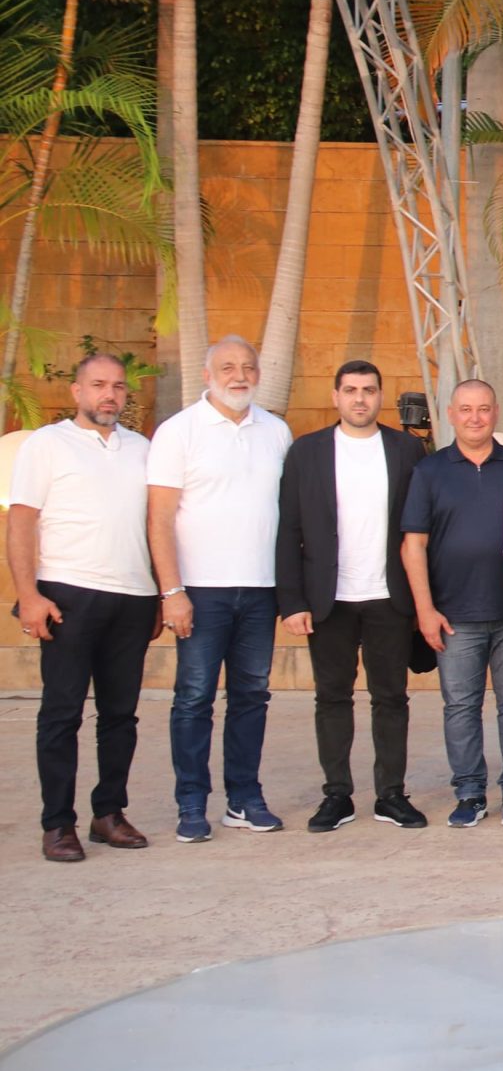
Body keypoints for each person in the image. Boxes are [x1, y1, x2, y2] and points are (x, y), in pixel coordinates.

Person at [11, 354, 157, 862]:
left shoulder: (142, 449)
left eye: (118, 386)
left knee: (120, 716)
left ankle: (108, 814)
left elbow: (155, 524)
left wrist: (160, 593)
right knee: (61, 713)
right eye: (98, 385)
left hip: (133, 597)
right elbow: (21, 522)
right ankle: (58, 824)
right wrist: (29, 595)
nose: (109, 395)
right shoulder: (47, 444)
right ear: (77, 392)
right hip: (68, 594)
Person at [145, 336, 292, 841]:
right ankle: (191, 804)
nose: (239, 375)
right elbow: (159, 519)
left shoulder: (276, 431)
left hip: (260, 590)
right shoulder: (178, 432)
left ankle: (244, 799)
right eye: (227, 367)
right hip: (200, 591)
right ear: (207, 375)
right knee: (193, 698)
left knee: (251, 696)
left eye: (248, 366)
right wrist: (172, 592)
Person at [277, 359, 431, 832]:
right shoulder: (307, 452)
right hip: (329, 599)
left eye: (368, 390)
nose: (359, 398)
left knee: (391, 698)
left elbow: (423, 527)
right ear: (336, 396)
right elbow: (289, 529)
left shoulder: (406, 450)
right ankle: (337, 795)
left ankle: (391, 795)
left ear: (380, 396)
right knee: (332, 698)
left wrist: (424, 600)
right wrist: (292, 601)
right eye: (350, 390)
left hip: (389, 596)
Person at [401, 380, 503, 828]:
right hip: (454, 616)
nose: (475, 417)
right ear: (451, 414)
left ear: (496, 412)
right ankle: (470, 792)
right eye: (465, 409)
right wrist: (425, 610)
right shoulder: (429, 471)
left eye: (483, 409)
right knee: (460, 707)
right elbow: (413, 546)